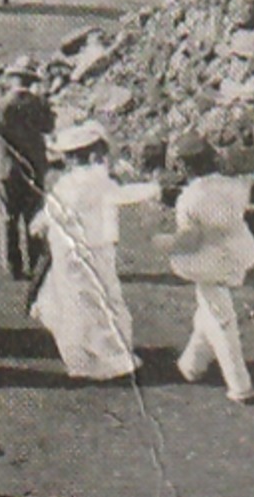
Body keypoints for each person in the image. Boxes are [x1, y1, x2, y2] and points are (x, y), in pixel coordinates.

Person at [28, 121, 159, 380]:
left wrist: (38, 224)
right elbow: (123, 195)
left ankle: (81, 359)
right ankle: (109, 357)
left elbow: (53, 210)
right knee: (101, 301)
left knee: (73, 301)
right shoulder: (98, 181)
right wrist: (154, 189)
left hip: (68, 252)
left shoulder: (68, 183)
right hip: (95, 250)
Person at [158, 134, 254, 404]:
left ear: (184, 167)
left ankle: (240, 385)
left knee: (221, 322)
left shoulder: (189, 199)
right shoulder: (234, 186)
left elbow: (190, 240)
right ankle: (191, 365)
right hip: (239, 252)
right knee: (211, 309)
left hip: (209, 262)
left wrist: (164, 243)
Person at [0, 57, 54, 280]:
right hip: (35, 168)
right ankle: (36, 261)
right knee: (33, 215)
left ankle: (13, 267)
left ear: (12, 78)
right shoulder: (39, 103)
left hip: (6, 169)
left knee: (8, 217)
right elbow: (49, 127)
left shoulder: (1, 105)